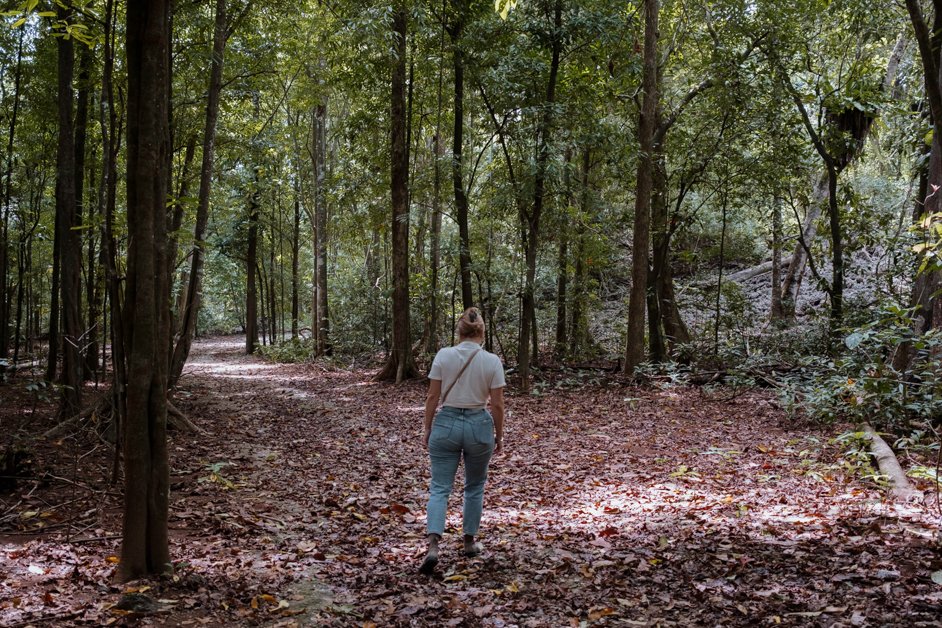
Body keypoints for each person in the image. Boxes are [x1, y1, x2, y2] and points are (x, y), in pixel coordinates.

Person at [420, 307, 505, 574]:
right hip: (479, 424)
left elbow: (432, 397)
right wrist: (499, 435)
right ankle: (469, 542)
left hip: (446, 423)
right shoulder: (492, 361)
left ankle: (434, 544)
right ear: (482, 332)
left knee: (440, 487)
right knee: (475, 485)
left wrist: (427, 428)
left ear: (459, 332)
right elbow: (498, 405)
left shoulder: (444, 355)